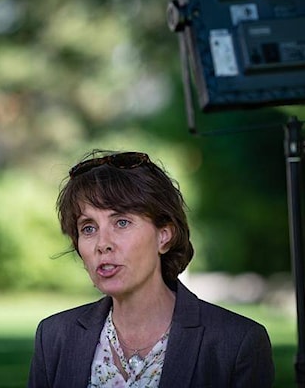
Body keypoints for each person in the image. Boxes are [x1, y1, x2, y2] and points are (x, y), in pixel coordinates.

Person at [27, 150, 275, 387]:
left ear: (164, 236)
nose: (102, 244)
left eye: (121, 222)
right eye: (88, 228)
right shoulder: (54, 337)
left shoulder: (237, 343)